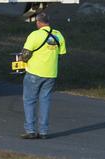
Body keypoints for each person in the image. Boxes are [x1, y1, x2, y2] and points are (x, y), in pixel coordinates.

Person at [20, 10, 67, 140]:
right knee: (45, 101)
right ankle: (44, 132)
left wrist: (23, 61)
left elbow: (25, 54)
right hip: (51, 74)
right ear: (48, 22)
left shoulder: (35, 35)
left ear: (38, 22)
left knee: (29, 100)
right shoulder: (58, 35)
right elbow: (61, 55)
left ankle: (30, 130)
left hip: (34, 73)